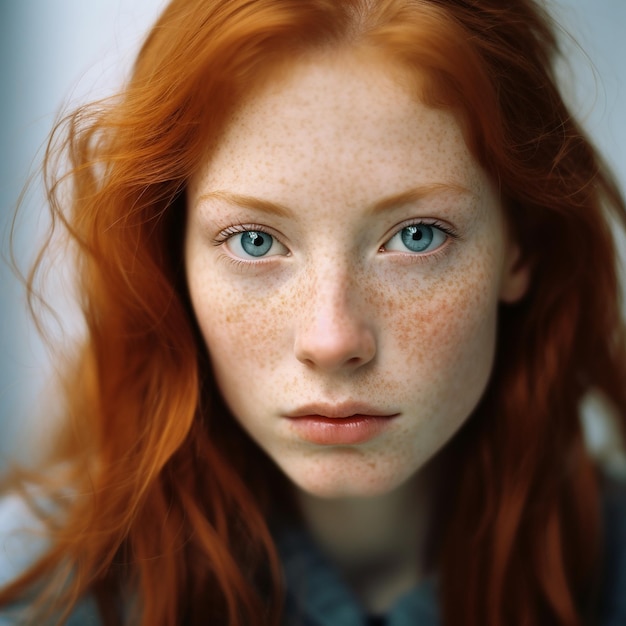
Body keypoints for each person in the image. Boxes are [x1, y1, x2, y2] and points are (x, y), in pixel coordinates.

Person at [1, 0, 625, 624]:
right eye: (255, 241)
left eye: (416, 236)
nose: (332, 339)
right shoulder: (41, 591)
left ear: (522, 247)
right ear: (173, 257)